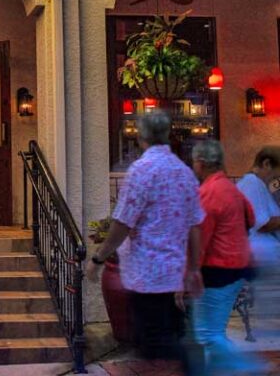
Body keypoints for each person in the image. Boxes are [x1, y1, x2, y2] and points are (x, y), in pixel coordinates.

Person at [87, 110, 204, 363]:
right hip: (174, 275)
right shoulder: (184, 173)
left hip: (147, 275)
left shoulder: (141, 171)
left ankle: (194, 365)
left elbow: (122, 224)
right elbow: (195, 226)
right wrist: (193, 269)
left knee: (153, 345)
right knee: (168, 337)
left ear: (141, 138)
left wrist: (98, 259)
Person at [188, 140, 263, 375]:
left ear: (201, 163)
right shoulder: (232, 189)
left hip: (217, 270)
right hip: (238, 267)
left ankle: (246, 367)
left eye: (194, 162)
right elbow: (250, 219)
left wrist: (191, 273)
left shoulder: (208, 193)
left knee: (207, 333)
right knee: (214, 330)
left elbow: (200, 239)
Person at [237, 146, 280, 336]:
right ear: (266, 164)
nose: (276, 179)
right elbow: (261, 223)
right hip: (263, 251)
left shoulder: (256, 184)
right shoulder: (252, 184)